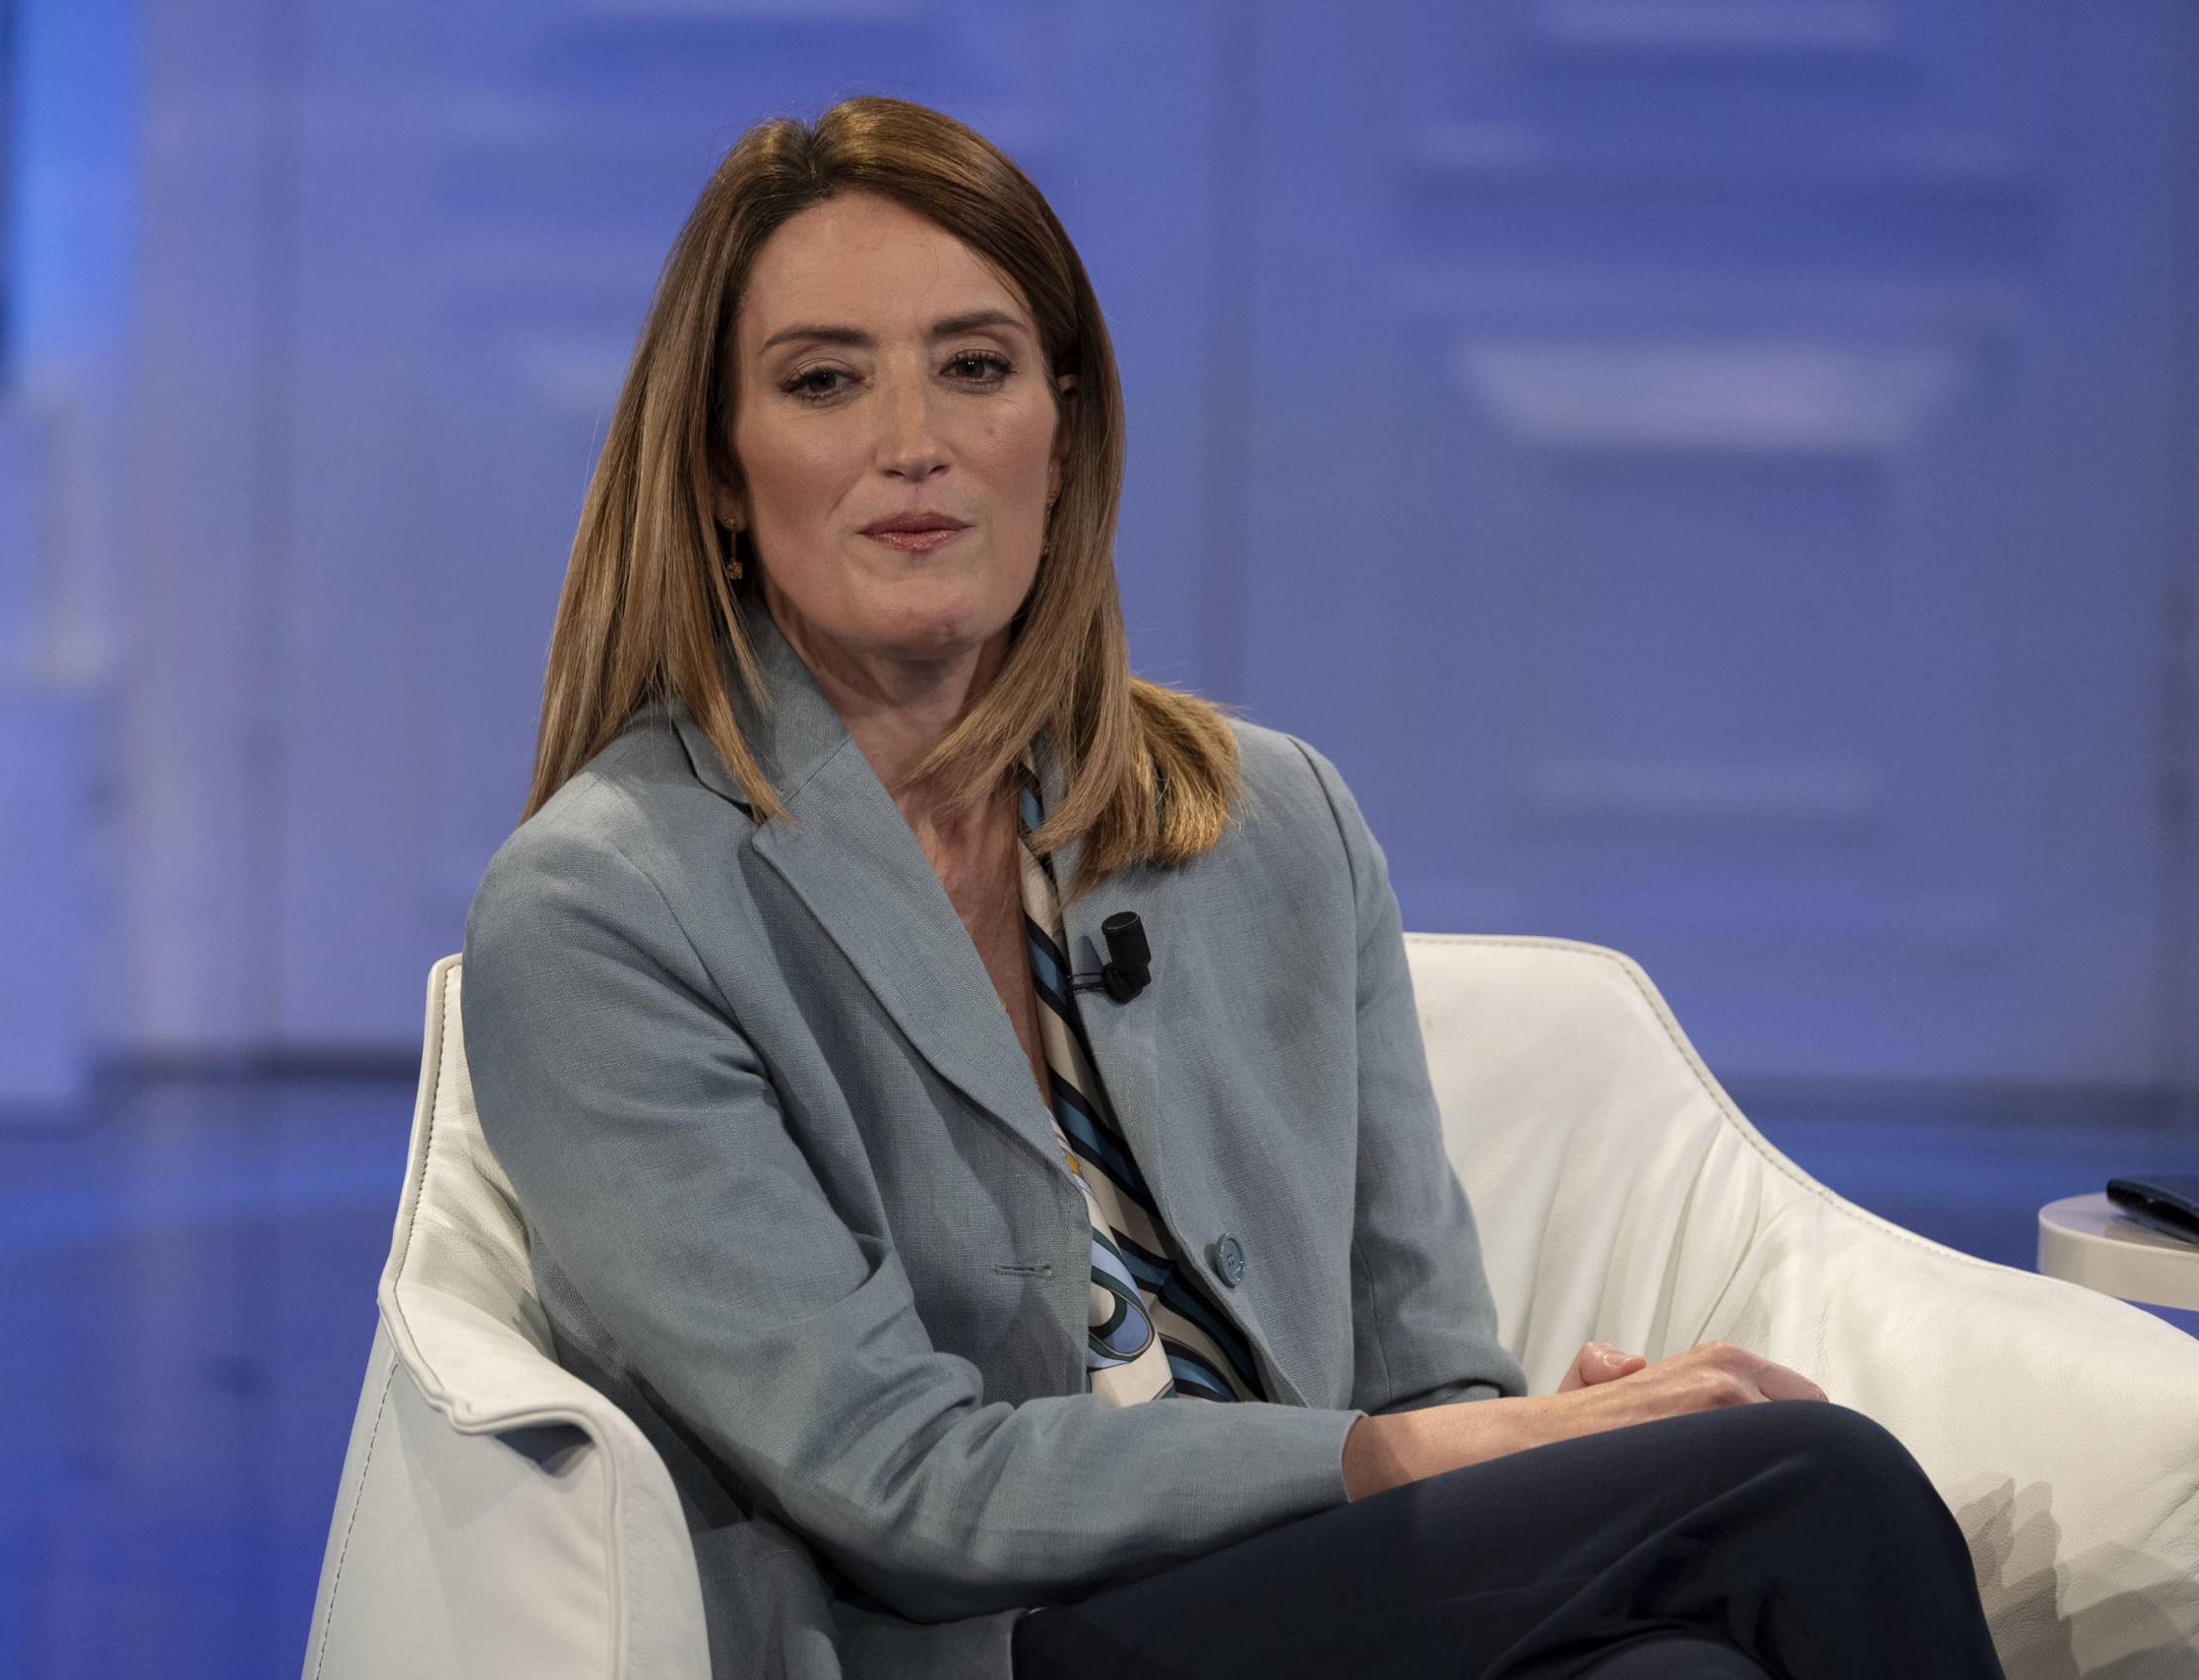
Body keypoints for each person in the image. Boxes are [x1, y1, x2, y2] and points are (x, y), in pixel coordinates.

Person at [460, 94, 2006, 1680]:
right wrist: (1415, 1466)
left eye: (976, 366)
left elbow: (1429, 1375)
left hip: (1336, 1601)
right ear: (721, 470)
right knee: (1815, 1480)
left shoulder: (1270, 822)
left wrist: (1529, 1448)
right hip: (997, 1642)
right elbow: (896, 1482)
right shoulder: (606, 911)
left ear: (1064, 428)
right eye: (824, 381)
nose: (911, 439)